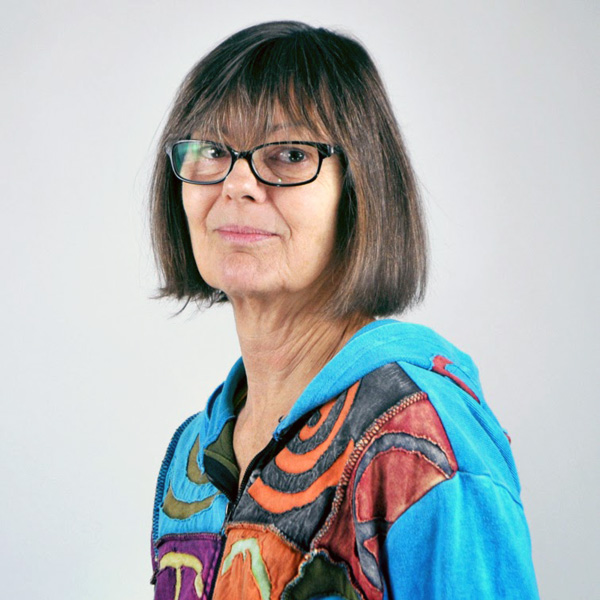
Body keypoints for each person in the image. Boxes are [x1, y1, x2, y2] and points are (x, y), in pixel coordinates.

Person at [148, 21, 539, 600]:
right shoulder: (194, 457)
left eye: (287, 154)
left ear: (361, 190)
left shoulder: (425, 442)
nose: (237, 184)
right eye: (210, 151)